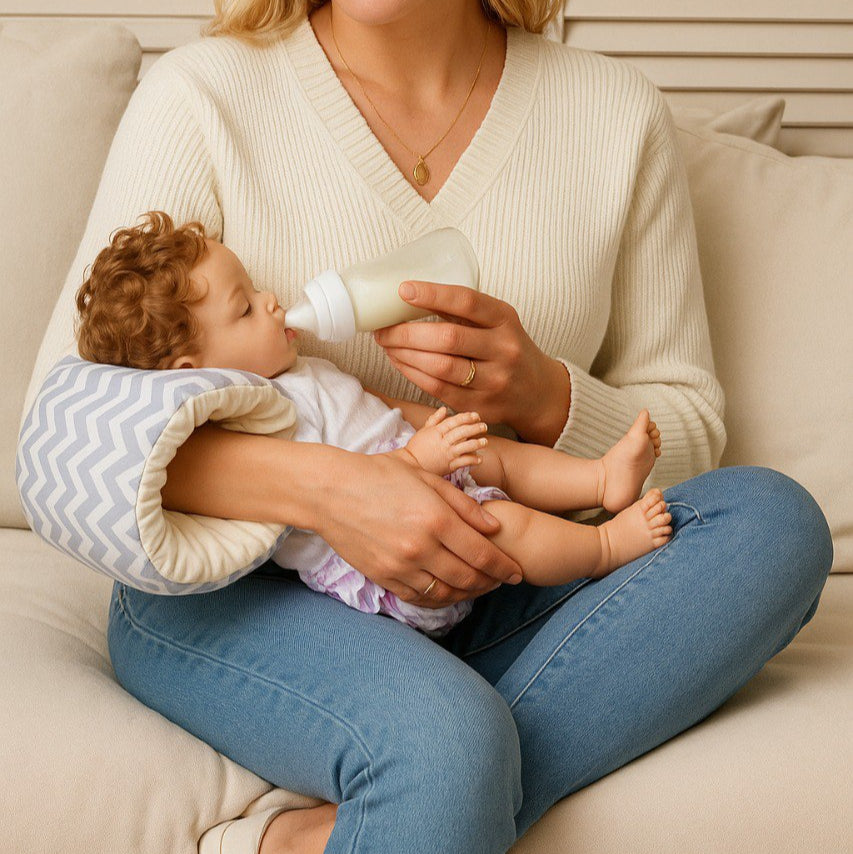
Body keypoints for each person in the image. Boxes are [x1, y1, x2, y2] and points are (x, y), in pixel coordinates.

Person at [25, 1, 833, 852]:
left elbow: (691, 430)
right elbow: (62, 434)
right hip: (242, 589)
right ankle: (422, 777)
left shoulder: (612, 112)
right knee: (447, 740)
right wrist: (334, 491)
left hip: (491, 558)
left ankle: (382, 817)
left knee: (767, 526)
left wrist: (544, 397)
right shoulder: (207, 94)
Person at [75, 210, 673, 637]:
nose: (273, 300)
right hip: (401, 568)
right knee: (503, 525)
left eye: (257, 288)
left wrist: (435, 427)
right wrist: (420, 458)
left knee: (498, 455)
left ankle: (601, 481)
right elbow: (352, 494)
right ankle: (603, 546)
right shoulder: (243, 422)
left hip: (426, 469)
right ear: (191, 370)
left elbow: (366, 408)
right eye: (246, 306)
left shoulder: (295, 368)